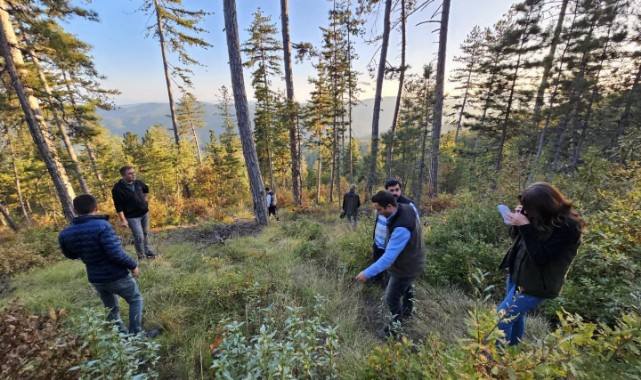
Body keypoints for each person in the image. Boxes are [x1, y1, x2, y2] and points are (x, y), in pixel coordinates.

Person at [497, 182, 585, 346]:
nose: (527, 211)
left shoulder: (568, 227)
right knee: (514, 317)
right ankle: (511, 353)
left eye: (529, 208)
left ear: (543, 207)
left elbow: (541, 258)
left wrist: (525, 225)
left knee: (502, 318)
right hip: (518, 274)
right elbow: (520, 239)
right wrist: (517, 222)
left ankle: (495, 364)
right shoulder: (540, 217)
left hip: (538, 284)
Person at [58, 194, 159, 337]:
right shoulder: (102, 226)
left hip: (95, 278)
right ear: (96, 207)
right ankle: (137, 334)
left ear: (75, 210)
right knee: (135, 300)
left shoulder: (65, 233)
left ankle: (120, 336)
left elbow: (71, 255)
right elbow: (115, 253)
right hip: (115, 275)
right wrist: (133, 265)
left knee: (110, 307)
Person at [356, 191, 426, 339]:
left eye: (379, 209)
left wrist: (366, 273)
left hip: (407, 267)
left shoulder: (401, 228)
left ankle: (395, 328)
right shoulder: (404, 207)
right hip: (414, 260)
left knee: (391, 297)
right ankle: (407, 311)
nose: (378, 213)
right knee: (406, 288)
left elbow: (388, 258)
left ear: (389, 206)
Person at [371, 178, 421, 284]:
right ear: (386, 191)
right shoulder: (381, 202)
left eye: (397, 189)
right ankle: (376, 282)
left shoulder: (408, 204)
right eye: (391, 190)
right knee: (377, 264)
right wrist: (375, 238)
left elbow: (416, 226)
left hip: (395, 245)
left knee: (393, 271)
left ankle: (389, 288)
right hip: (379, 243)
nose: (395, 193)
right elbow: (377, 220)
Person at [112, 166, 157, 261]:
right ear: (123, 175)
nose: (133, 175)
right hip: (132, 216)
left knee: (145, 233)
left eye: (134, 172)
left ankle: (148, 251)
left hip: (144, 213)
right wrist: (123, 220)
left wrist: (145, 201)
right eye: (130, 173)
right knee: (138, 236)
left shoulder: (138, 182)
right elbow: (118, 206)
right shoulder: (117, 189)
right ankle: (141, 256)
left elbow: (146, 189)